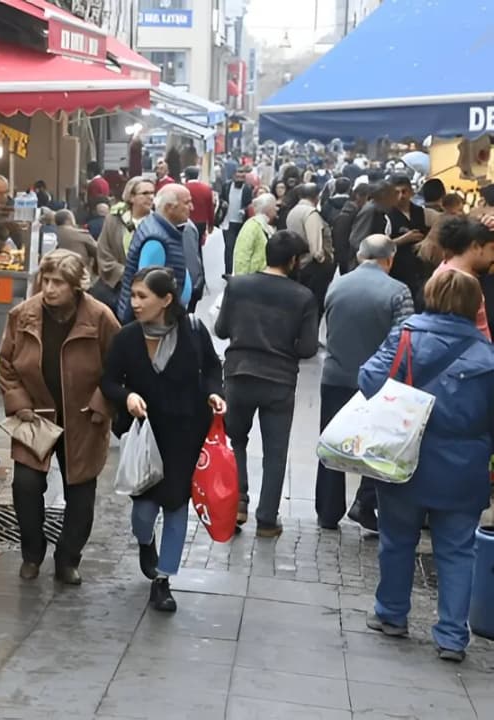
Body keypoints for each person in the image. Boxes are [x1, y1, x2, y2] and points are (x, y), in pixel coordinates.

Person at [359, 270, 494, 662]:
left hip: (406, 456)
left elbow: (369, 380)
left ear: (430, 294)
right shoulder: (487, 354)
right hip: (464, 467)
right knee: (457, 551)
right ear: (474, 306)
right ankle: (452, 637)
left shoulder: (406, 336)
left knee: (397, 539)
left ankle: (392, 614)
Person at [101, 267, 225, 611]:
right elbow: (109, 380)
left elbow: (213, 370)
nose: (135, 303)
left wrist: (214, 394)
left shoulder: (194, 332)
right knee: (143, 510)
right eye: (134, 295)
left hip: (186, 432)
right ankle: (145, 542)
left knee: (175, 505)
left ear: (166, 299)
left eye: (143, 296)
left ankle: (163, 580)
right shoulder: (127, 338)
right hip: (144, 435)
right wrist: (126, 396)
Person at [0, 249, 119, 585]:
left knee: (80, 491)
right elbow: (6, 363)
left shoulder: (100, 317)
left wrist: (102, 402)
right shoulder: (23, 315)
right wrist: (19, 401)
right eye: (46, 281)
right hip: (34, 413)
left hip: (83, 418)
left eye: (58, 283)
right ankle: (31, 553)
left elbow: (120, 364)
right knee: (25, 485)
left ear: (76, 287)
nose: (49, 289)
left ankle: (68, 558)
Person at [215, 231, 319, 535]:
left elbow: (221, 329)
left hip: (238, 373)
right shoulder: (303, 297)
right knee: (275, 452)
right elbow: (309, 348)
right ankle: (267, 519)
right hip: (279, 380)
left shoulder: (238, 286)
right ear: (293, 261)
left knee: (235, 439)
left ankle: (238, 503)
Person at [317, 234, 414, 532]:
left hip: (335, 376)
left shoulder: (337, 284)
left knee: (332, 443)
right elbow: (404, 341)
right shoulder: (399, 292)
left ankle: (327, 511)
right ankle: (365, 502)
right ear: (390, 258)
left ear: (360, 256)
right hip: (377, 383)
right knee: (377, 447)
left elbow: (329, 327)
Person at [116, 184, 204, 320]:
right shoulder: (156, 239)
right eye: (187, 203)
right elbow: (146, 289)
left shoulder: (162, 229)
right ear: (169, 208)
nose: (191, 208)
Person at [427, 214, 494, 340]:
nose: (492, 257)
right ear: (475, 247)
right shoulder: (455, 283)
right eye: (492, 249)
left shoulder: (450, 270)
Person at [94, 178, 154, 308]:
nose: (150, 197)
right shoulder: (113, 219)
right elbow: (103, 251)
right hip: (115, 288)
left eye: (152, 193)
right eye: (144, 193)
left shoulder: (156, 223)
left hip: (146, 290)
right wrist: (125, 273)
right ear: (131, 197)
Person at [287, 183, 335, 318]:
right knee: (313, 309)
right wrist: (324, 260)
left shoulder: (293, 211)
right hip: (311, 267)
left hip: (298, 263)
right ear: (317, 197)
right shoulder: (311, 213)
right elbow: (316, 249)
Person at [387, 174, 431, 307]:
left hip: (419, 267)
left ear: (411, 191)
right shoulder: (387, 214)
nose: (401, 196)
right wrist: (403, 240)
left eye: (404, 191)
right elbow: (381, 245)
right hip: (397, 268)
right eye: (397, 192)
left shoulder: (419, 211)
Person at [349, 181, 396, 262]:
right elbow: (357, 240)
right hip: (367, 264)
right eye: (393, 195)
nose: (395, 199)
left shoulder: (379, 211)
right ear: (383, 196)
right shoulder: (371, 211)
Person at [220, 165, 255, 275]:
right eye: (238, 176)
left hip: (241, 223)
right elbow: (221, 198)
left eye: (242, 177)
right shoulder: (226, 186)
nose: (239, 179)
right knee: (229, 248)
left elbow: (249, 203)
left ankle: (241, 273)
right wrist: (223, 204)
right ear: (234, 176)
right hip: (228, 222)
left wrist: (244, 210)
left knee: (241, 249)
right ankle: (228, 273)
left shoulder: (247, 189)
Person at [232, 194, 278, 275]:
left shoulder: (266, 227)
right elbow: (242, 256)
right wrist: (241, 280)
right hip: (250, 280)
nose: (276, 210)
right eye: (274, 207)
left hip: (261, 278)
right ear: (268, 209)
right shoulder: (252, 226)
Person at [332, 183, 370, 275]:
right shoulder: (354, 214)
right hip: (350, 259)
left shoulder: (347, 211)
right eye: (368, 199)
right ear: (358, 196)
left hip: (346, 258)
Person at [54, 209, 97, 276]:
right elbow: (97, 252)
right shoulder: (80, 234)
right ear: (69, 220)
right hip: (77, 272)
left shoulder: (52, 232)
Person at [183, 166, 214, 244]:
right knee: (199, 245)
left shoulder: (183, 188)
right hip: (201, 223)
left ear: (187, 176)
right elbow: (210, 208)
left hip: (186, 222)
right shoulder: (206, 189)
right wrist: (211, 224)